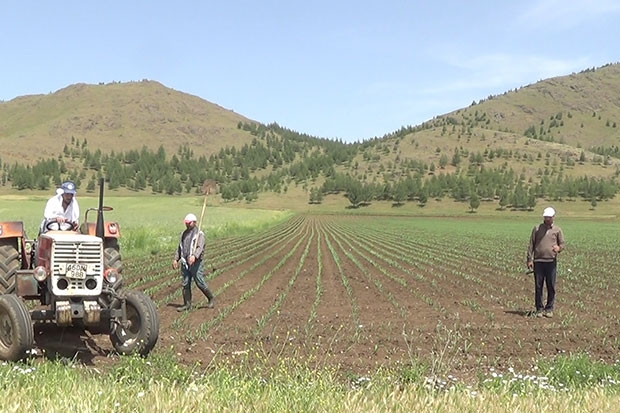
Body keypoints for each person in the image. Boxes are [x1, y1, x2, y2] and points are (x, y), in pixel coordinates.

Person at [526, 206, 565, 318]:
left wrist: (559, 248)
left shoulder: (557, 230)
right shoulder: (537, 229)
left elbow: (562, 244)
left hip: (551, 262)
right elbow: (531, 245)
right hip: (538, 261)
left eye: (549, 217)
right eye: (546, 217)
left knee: (551, 286)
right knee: (538, 286)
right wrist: (529, 259)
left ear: (553, 217)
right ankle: (539, 309)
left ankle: (549, 308)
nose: (547, 219)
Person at [172, 213, 215, 311]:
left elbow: (200, 248)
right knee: (185, 283)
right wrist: (176, 259)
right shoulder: (183, 234)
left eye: (189, 223)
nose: (187, 224)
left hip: (196, 263)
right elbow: (180, 248)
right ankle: (187, 304)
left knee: (199, 282)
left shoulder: (199, 235)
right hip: (185, 263)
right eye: (186, 223)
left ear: (194, 222)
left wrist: (194, 256)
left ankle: (211, 298)